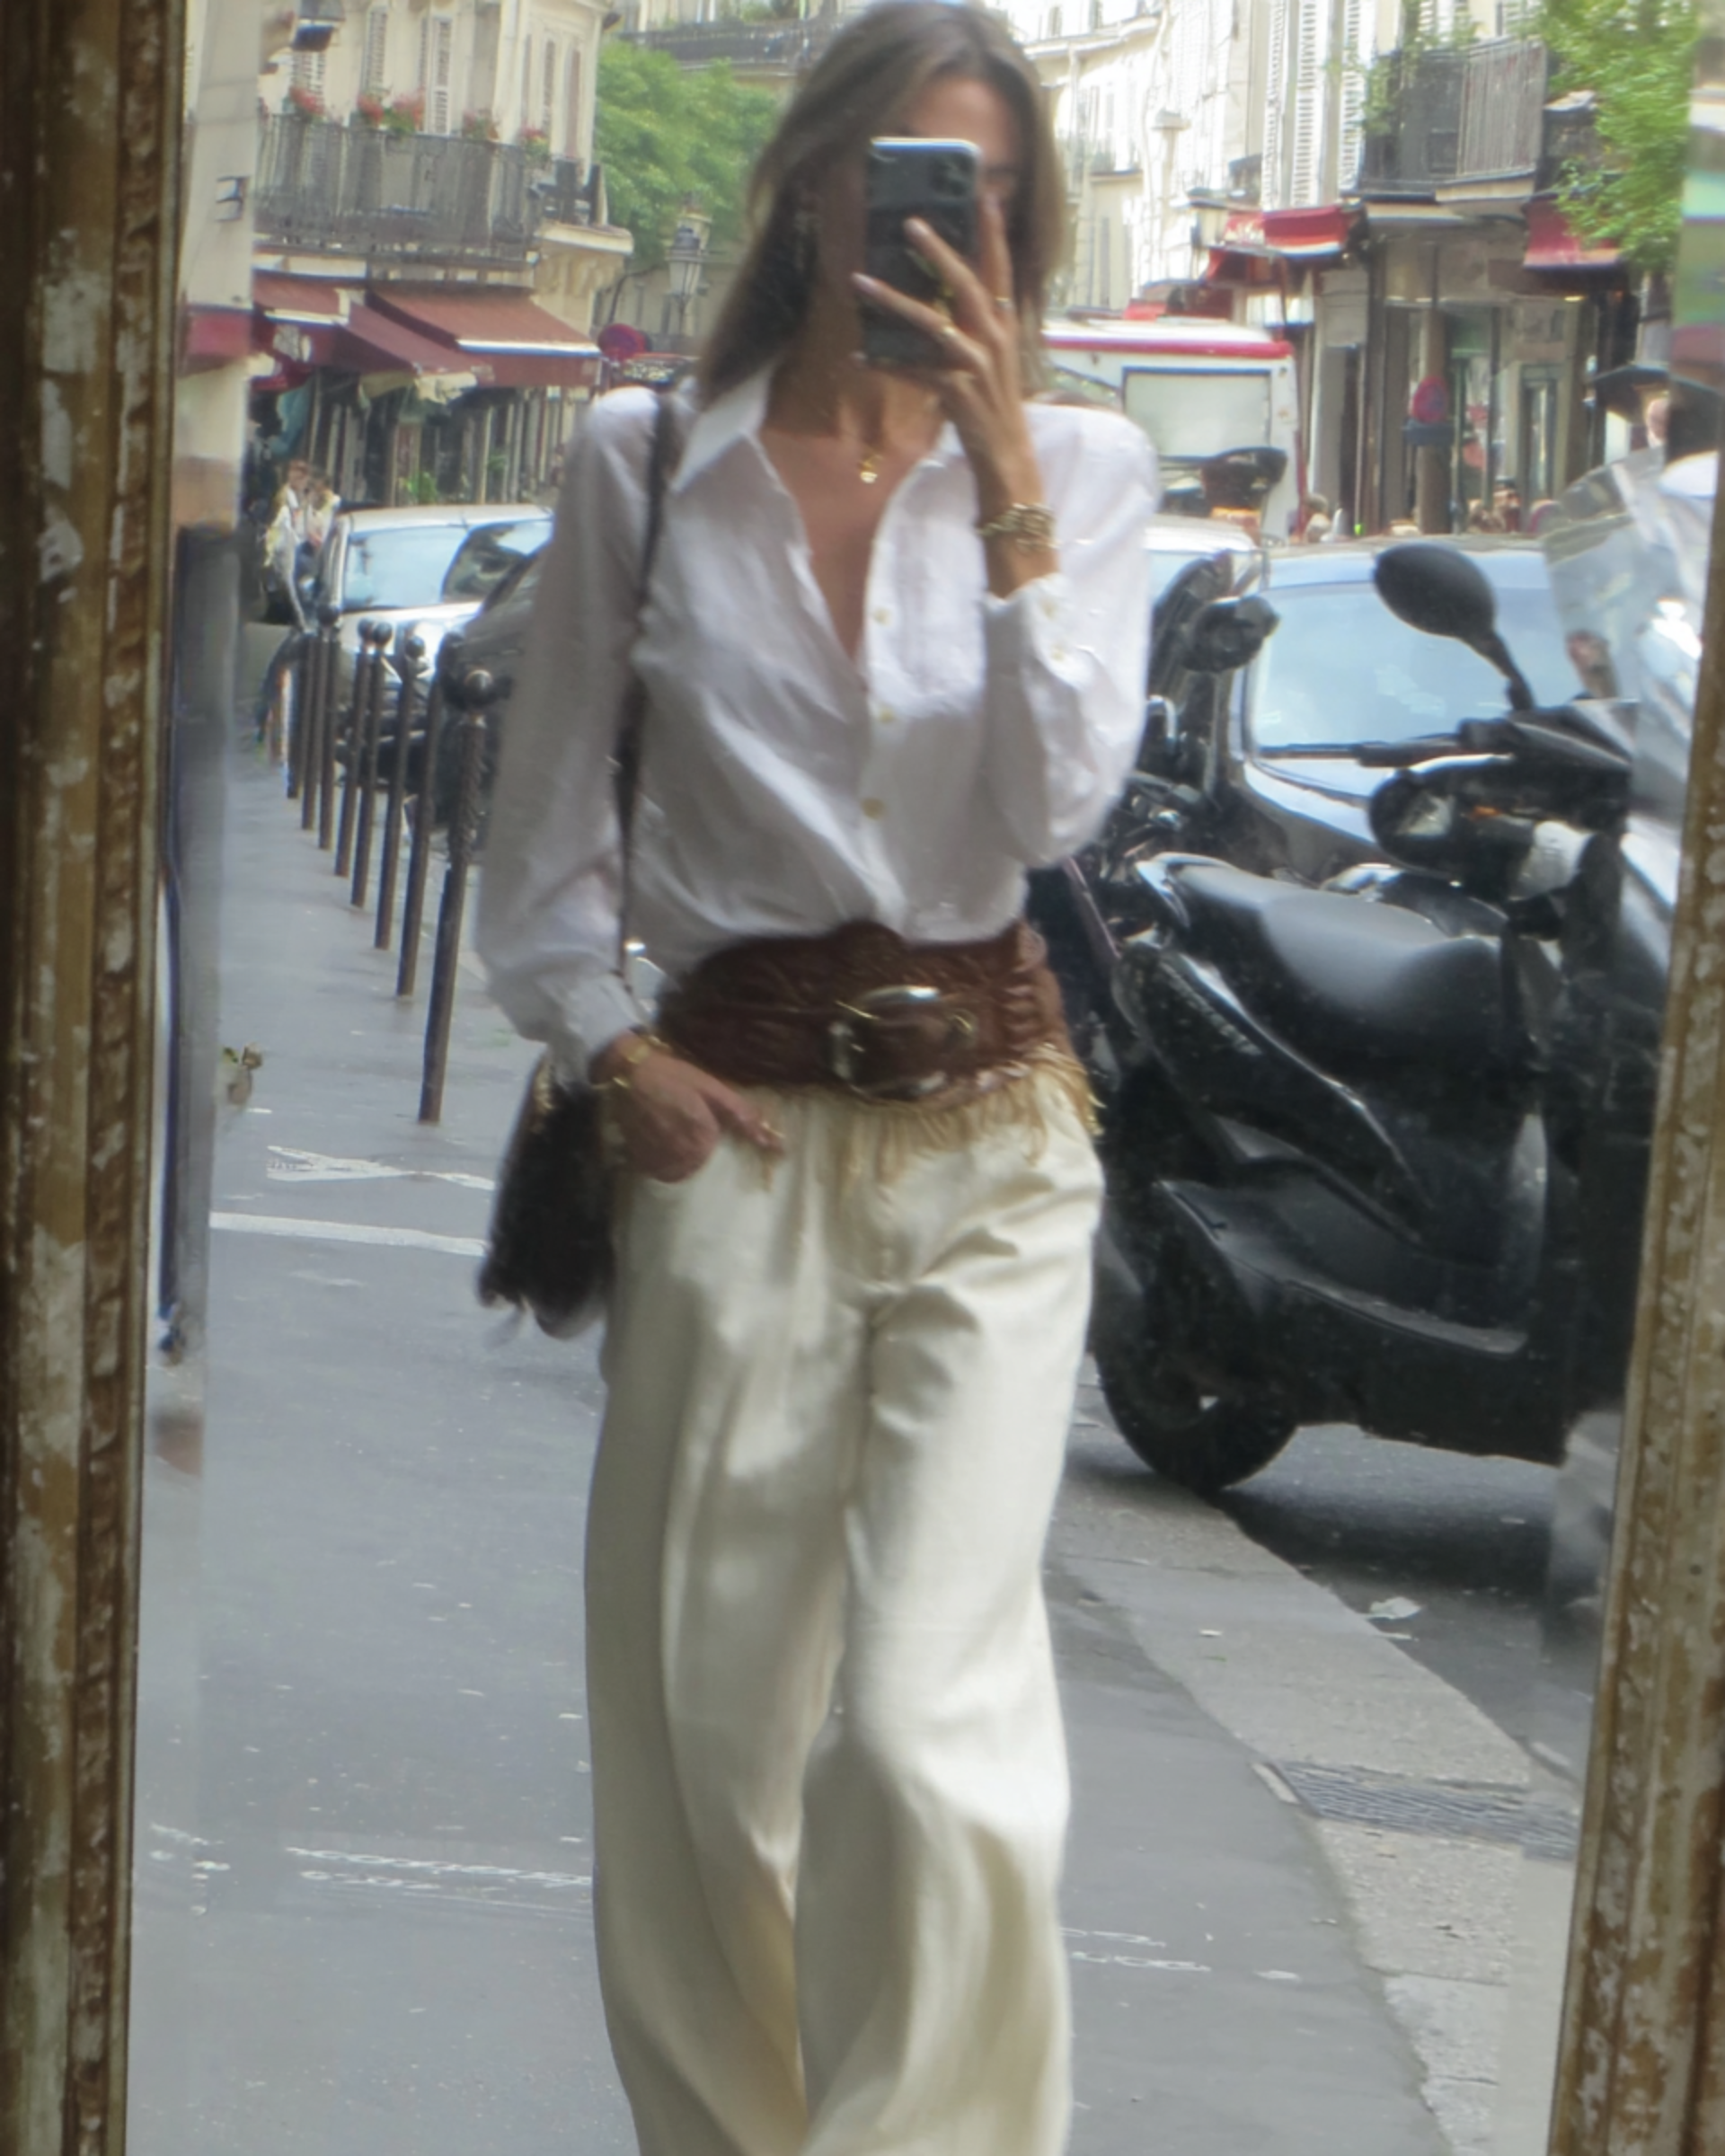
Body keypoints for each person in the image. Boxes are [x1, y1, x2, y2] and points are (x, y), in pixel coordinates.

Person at [477, 8, 1156, 2156]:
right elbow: (544, 861)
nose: (935, 233)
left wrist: (1015, 476)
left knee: (937, 1736)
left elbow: (1051, 814)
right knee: (699, 1741)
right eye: (901, 186)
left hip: (994, 1141)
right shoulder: (643, 465)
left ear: (1025, 231)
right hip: (736, 1131)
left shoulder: (1097, 469)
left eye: (985, 201)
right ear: (816, 189)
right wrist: (615, 1058)